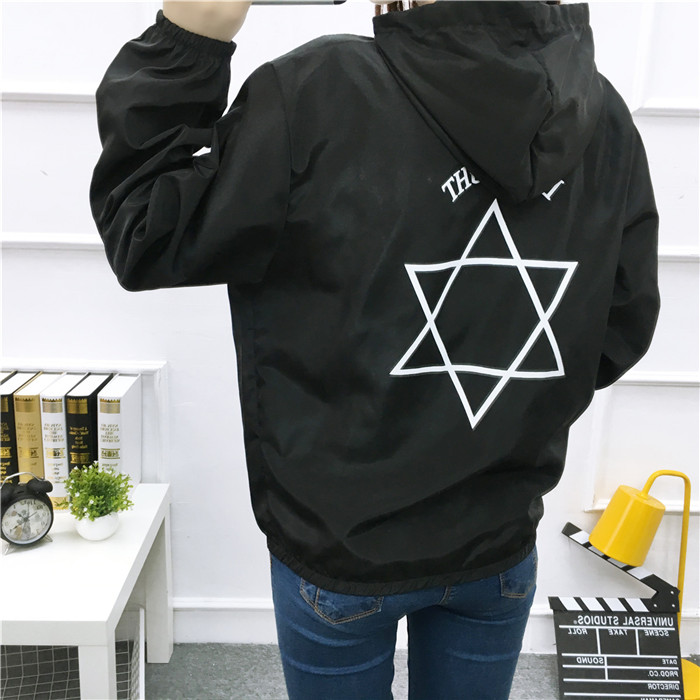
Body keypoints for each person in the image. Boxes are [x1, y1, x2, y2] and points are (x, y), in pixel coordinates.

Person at [90, 1, 660, 698]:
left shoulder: (318, 90)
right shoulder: (600, 113)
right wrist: (508, 408)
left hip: (340, 547)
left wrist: (189, 36)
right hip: (497, 542)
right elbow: (622, 324)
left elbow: (146, 229)